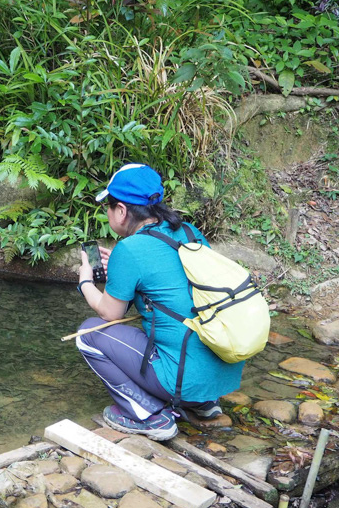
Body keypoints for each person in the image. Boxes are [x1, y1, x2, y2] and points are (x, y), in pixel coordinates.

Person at [76, 163, 244, 440]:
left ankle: (149, 416)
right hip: (222, 374)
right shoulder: (190, 232)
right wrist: (120, 271)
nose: (107, 212)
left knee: (87, 334)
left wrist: (85, 281)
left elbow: (109, 313)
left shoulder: (129, 249)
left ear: (121, 211)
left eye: (108, 206)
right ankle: (204, 405)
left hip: (181, 381)